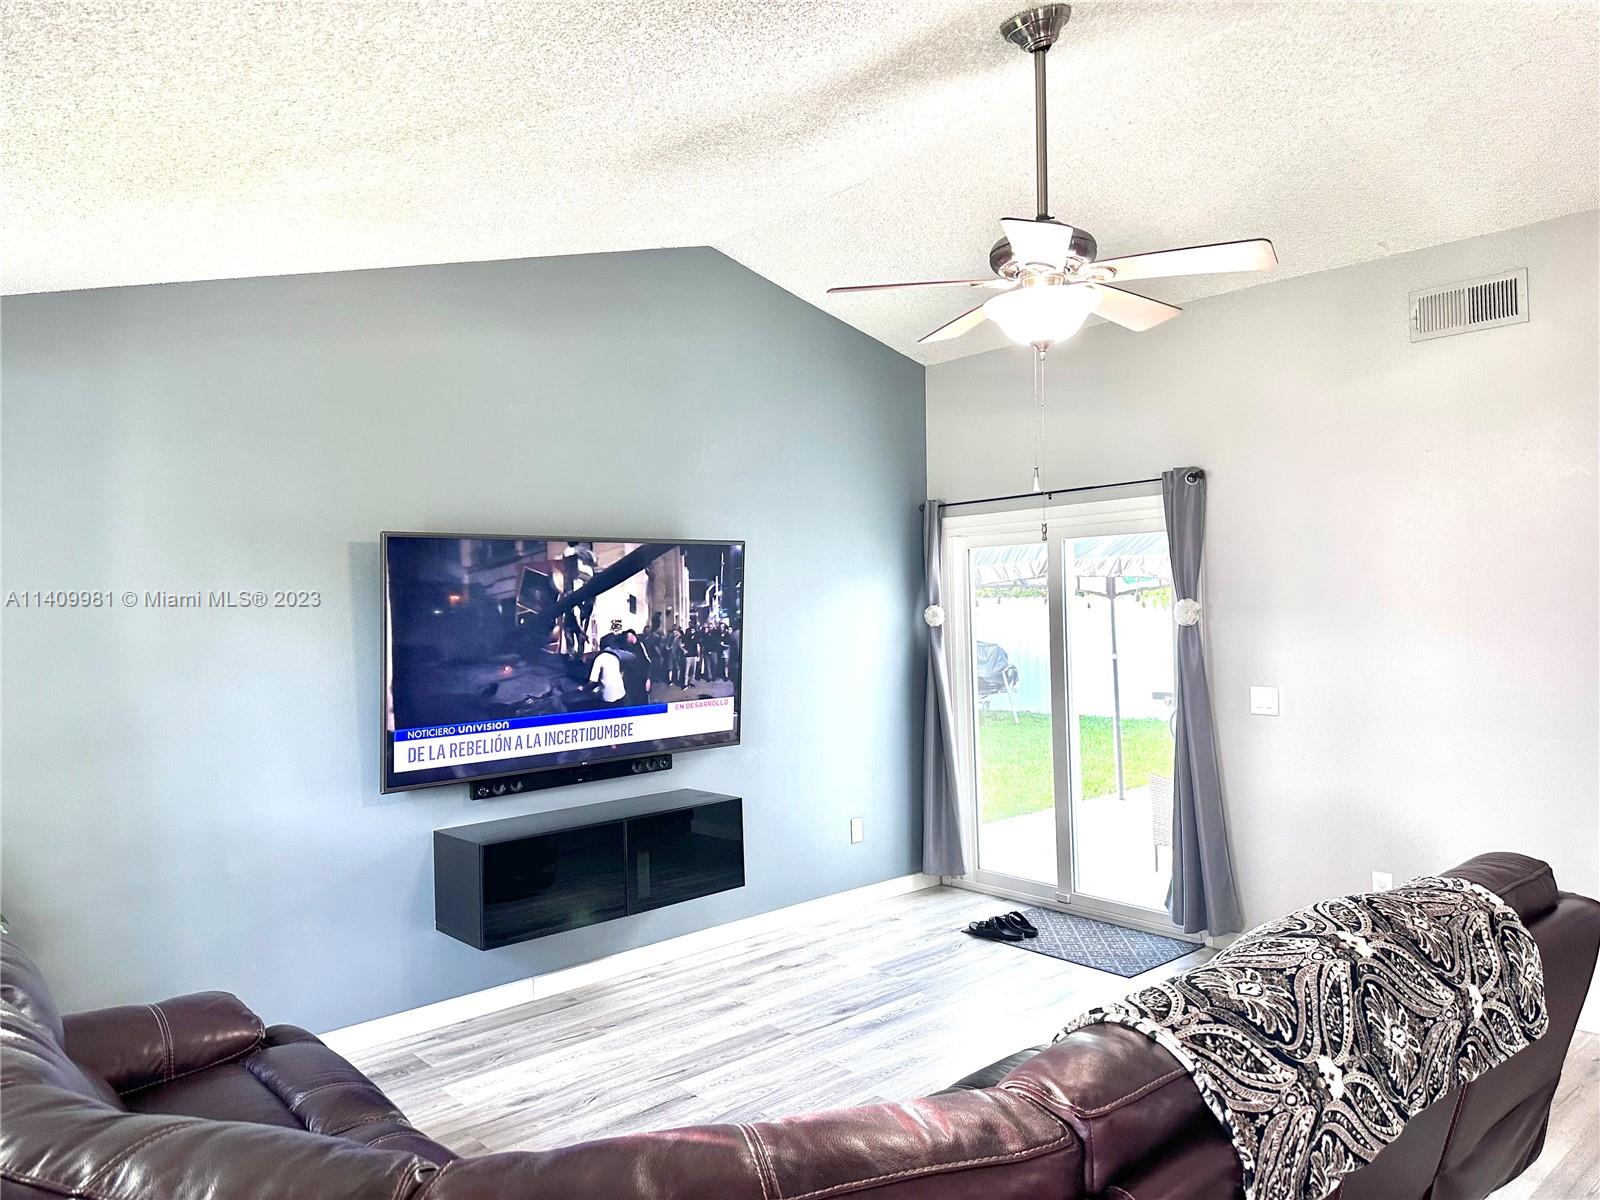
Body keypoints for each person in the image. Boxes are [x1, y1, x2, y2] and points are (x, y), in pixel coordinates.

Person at [619, 629, 652, 706]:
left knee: (643, 700)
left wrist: (648, 678)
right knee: (633, 700)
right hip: (631, 680)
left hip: (642, 679)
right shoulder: (627, 647)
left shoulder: (641, 645)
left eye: (627, 637)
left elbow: (648, 662)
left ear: (632, 636)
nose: (626, 639)